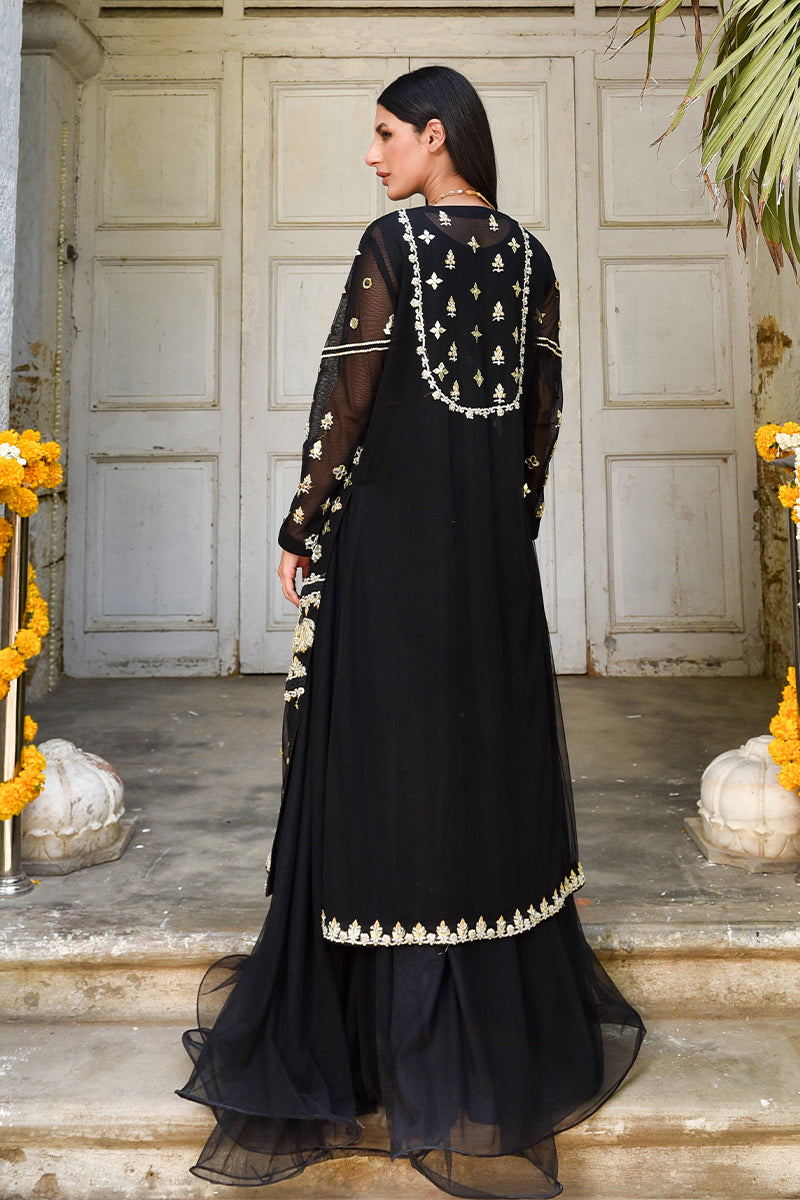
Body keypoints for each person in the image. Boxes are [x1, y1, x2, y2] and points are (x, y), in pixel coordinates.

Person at [178, 64, 645, 1199]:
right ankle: (479, 1045)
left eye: (386, 134)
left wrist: (301, 524)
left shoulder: (392, 245)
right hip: (489, 560)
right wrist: (499, 530)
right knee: (477, 763)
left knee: (381, 766)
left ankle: (367, 1047)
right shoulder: (532, 259)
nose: (373, 154)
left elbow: (347, 399)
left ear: (436, 137)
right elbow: (539, 425)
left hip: (386, 554)